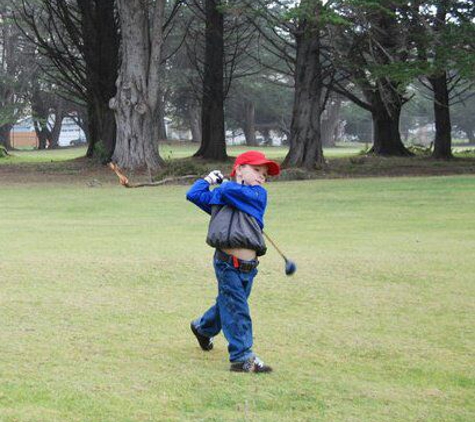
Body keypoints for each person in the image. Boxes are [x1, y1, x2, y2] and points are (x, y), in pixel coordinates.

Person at [186, 150, 281, 373]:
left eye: (264, 174)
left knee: (228, 304)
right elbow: (193, 194)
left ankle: (202, 328)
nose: (261, 177)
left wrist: (224, 183)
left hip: (250, 268)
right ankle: (242, 357)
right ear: (239, 169)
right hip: (227, 263)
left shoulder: (258, 195)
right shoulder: (223, 197)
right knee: (237, 308)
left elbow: (229, 189)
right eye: (256, 170)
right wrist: (208, 180)